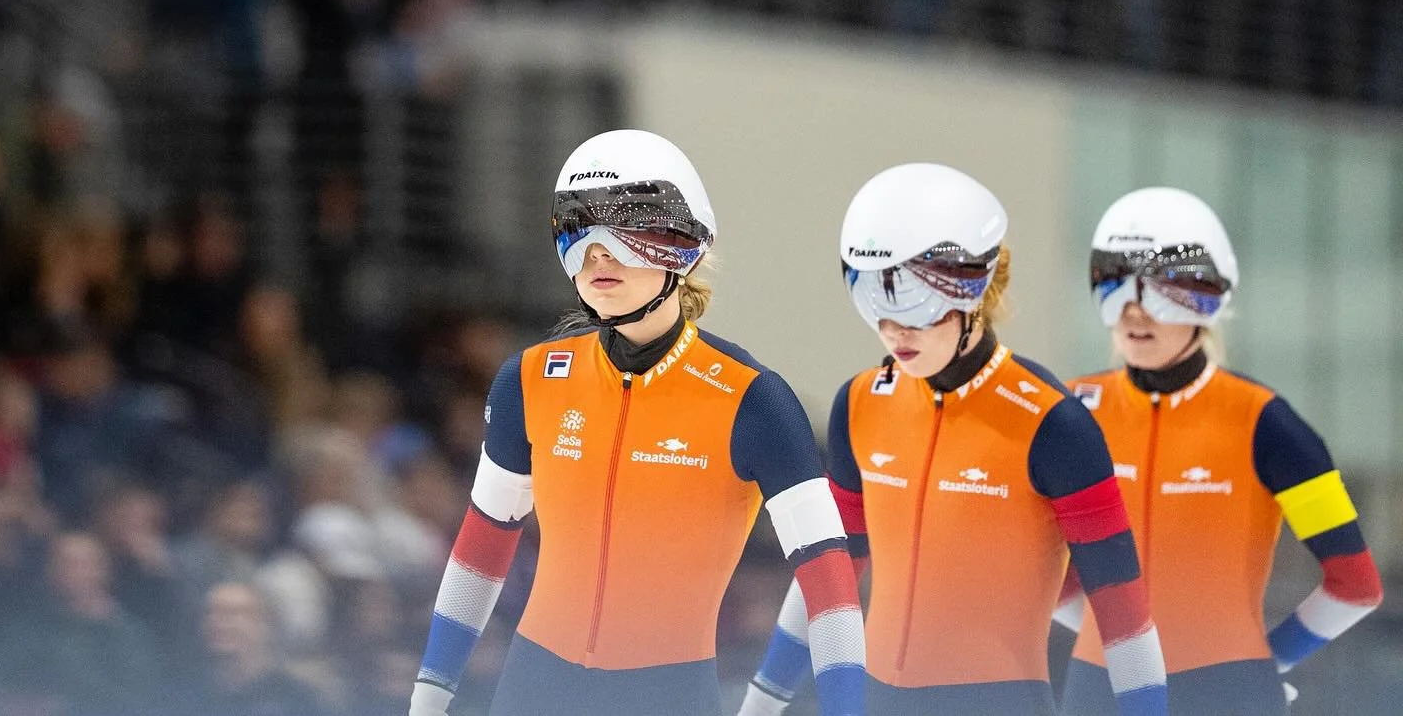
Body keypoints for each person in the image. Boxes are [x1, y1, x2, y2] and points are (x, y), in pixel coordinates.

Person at [410, 129, 865, 716]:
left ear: (684, 244)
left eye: (626, 226)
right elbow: (481, 548)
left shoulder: (754, 401)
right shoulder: (529, 380)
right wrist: (427, 700)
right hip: (533, 689)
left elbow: (830, 586)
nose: (598, 252)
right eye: (578, 227)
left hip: (667, 696)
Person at [739, 164, 1167, 716]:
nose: (894, 331)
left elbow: (1125, 622)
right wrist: (761, 703)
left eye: (914, 304)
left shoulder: (1054, 425)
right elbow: (830, 577)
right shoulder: (861, 402)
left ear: (977, 288)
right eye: (873, 298)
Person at [1056, 187, 1384, 715]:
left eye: (1162, 289)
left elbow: (1356, 584)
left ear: (1208, 297)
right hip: (1099, 691)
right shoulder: (1071, 410)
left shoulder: (1265, 422)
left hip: (1226, 694)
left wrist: (1263, 665)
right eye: (1114, 283)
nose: (1135, 311)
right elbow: (1044, 574)